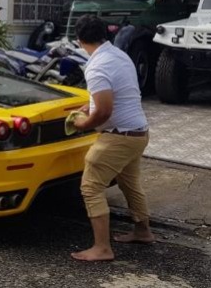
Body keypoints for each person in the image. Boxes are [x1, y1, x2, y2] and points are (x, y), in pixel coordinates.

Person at [71, 14, 154, 262]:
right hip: (138, 132)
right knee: (130, 183)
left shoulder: (96, 66)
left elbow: (105, 111)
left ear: (79, 40)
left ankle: (102, 248)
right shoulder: (119, 55)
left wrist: (83, 123)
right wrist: (91, 107)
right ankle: (143, 231)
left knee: (91, 186)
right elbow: (118, 95)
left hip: (119, 136)